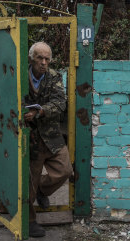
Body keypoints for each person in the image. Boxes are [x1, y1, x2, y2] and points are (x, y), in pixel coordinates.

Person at [24, 41, 73, 238]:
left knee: (65, 170)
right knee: (29, 181)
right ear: (31, 59)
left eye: (47, 59)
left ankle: (43, 191)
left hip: (52, 136)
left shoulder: (54, 77)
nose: (44, 63)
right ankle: (29, 221)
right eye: (40, 58)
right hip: (31, 139)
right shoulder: (20, 75)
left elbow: (60, 103)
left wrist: (41, 111)